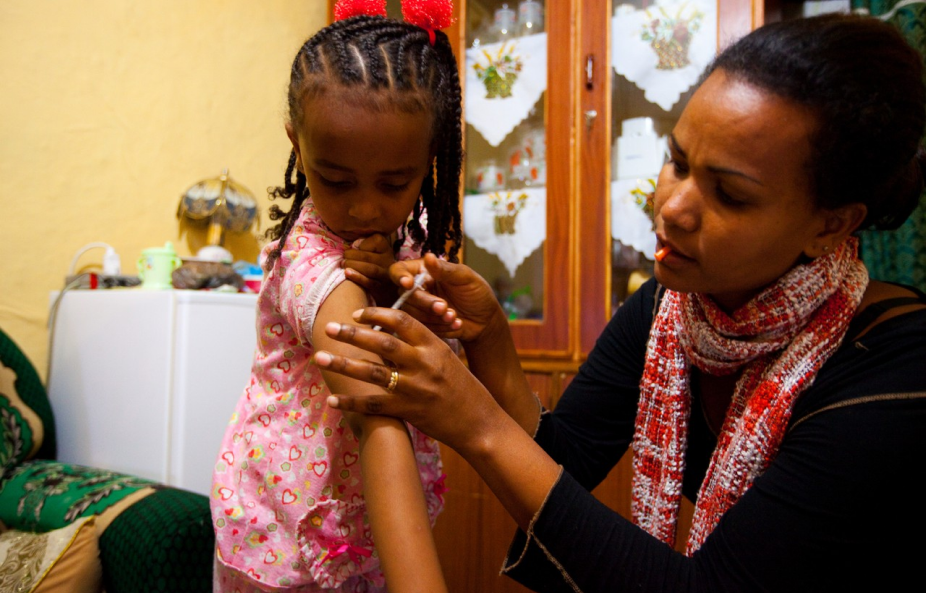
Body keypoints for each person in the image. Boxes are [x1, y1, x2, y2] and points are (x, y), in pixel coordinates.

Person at [313, 13, 926, 592]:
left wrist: (475, 423)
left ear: (831, 224)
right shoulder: (674, 309)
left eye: (730, 195)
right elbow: (565, 459)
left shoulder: (895, 375)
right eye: (676, 162)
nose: (673, 207)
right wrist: (490, 336)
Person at [210, 1, 462, 591]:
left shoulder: (415, 232)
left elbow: (434, 346)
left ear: (428, 161)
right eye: (337, 180)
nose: (365, 208)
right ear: (297, 145)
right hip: (282, 542)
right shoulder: (310, 261)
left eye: (394, 182)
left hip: (362, 535)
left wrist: (392, 286)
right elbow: (373, 403)